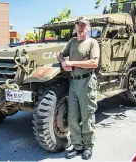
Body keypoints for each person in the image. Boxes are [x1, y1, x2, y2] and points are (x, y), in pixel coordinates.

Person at [57, 16, 100, 160]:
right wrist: (63, 62)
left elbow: (94, 63)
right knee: (72, 117)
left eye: (83, 25)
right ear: (75, 27)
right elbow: (59, 54)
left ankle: (88, 146)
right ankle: (77, 145)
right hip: (74, 83)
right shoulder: (72, 42)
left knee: (87, 115)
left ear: (87, 27)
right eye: (78, 25)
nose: (80, 27)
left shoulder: (92, 43)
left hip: (86, 82)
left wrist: (72, 62)